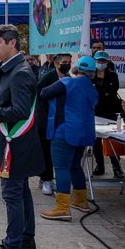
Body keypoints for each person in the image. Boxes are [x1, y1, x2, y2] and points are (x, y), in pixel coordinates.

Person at [0, 25, 44, 249]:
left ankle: (12, 248)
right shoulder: (12, 70)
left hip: (15, 145)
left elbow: (19, 110)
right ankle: (27, 238)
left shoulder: (19, 72)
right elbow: (14, 98)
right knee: (22, 193)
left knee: (12, 195)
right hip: (18, 144)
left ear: (12, 43)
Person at [39, 56, 98, 222]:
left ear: (77, 68)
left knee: (62, 167)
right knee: (74, 166)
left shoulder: (68, 82)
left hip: (64, 131)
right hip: (83, 132)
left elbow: (44, 93)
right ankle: (81, 201)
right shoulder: (91, 88)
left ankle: (62, 208)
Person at [36, 54, 72, 195]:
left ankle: (50, 178)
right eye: (64, 62)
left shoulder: (68, 77)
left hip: (60, 119)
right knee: (46, 150)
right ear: (56, 64)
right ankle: (46, 180)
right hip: (45, 119)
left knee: (55, 152)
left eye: (69, 62)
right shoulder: (49, 77)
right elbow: (38, 93)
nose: (67, 64)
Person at [92, 50, 124, 178]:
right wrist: (103, 93)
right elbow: (94, 92)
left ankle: (117, 167)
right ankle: (100, 165)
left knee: (112, 141)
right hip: (95, 112)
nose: (101, 62)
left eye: (103, 61)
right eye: (98, 60)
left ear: (107, 62)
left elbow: (112, 90)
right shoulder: (91, 75)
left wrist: (100, 92)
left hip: (110, 113)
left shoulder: (112, 75)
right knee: (96, 141)